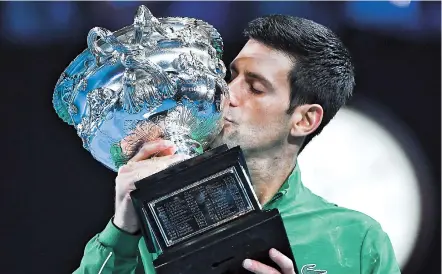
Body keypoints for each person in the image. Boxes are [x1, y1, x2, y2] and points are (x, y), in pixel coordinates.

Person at [74, 15, 401, 274]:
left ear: (305, 120)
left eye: (255, 88)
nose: (227, 93)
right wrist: (122, 231)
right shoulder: (145, 227)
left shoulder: (357, 241)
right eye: (230, 76)